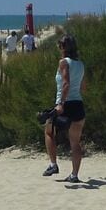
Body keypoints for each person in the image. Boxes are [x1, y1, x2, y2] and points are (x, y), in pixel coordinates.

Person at [40, 37, 87, 183]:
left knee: (49, 131)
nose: (59, 48)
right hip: (78, 104)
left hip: (65, 104)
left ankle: (53, 164)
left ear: (63, 47)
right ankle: (74, 175)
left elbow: (66, 83)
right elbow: (83, 87)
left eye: (60, 46)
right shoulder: (80, 64)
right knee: (75, 142)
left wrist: (61, 103)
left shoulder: (63, 62)